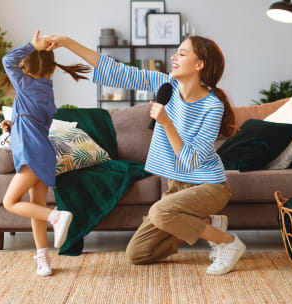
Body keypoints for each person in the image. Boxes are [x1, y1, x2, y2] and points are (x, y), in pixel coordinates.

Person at [43, 34, 245, 275]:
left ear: (200, 64)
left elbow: (190, 161)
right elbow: (115, 71)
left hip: (208, 186)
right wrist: (66, 42)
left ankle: (227, 242)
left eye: (182, 53)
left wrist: (166, 122)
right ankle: (208, 225)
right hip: (177, 187)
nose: (174, 56)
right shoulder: (165, 85)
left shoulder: (213, 106)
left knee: (159, 212)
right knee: (138, 254)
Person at [0, 31, 91, 276]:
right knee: (34, 206)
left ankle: (56, 217)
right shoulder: (45, 92)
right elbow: (32, 122)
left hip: (32, 153)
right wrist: (13, 125)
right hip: (41, 153)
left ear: (25, 72)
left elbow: (7, 61)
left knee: (10, 202)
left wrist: (31, 45)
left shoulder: (27, 86)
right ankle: (43, 258)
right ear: (53, 70)